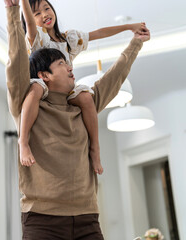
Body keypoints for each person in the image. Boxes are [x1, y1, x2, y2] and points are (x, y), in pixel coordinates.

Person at [4, 0, 150, 239]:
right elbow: (16, 60)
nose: (70, 68)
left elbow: (114, 78)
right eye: (61, 64)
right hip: (43, 221)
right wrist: (12, 13)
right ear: (44, 75)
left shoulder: (83, 104)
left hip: (88, 219)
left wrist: (135, 43)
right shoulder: (28, 102)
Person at [18, 0, 147, 175]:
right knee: (35, 90)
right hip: (44, 82)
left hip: (65, 88)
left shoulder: (70, 39)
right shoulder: (37, 38)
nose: (45, 14)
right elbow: (29, 23)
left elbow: (99, 33)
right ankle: (23, 141)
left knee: (86, 97)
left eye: (47, 8)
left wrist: (129, 27)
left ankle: (95, 148)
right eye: (37, 14)